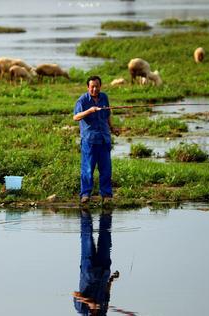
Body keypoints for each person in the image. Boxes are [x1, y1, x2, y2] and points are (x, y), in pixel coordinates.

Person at [73, 75, 117, 204]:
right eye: (92, 87)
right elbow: (76, 117)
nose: (95, 89)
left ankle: (106, 195)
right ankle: (85, 195)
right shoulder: (82, 101)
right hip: (89, 141)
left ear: (100, 86)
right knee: (87, 169)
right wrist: (89, 111)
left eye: (97, 86)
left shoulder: (104, 97)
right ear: (88, 87)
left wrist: (113, 128)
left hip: (104, 139)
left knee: (106, 169)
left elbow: (107, 114)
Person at [73, 210, 119, 315]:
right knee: (106, 237)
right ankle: (106, 214)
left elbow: (75, 294)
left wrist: (89, 303)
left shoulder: (82, 310)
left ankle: (85, 212)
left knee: (87, 237)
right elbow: (106, 293)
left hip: (89, 268)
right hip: (104, 270)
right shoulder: (103, 312)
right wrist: (112, 279)